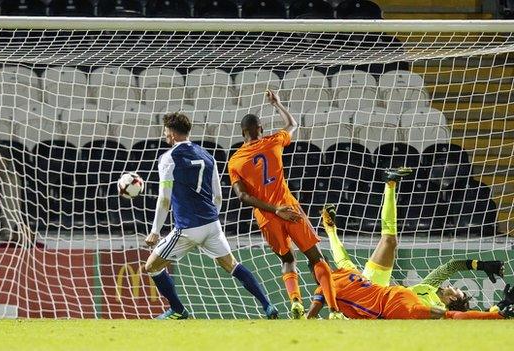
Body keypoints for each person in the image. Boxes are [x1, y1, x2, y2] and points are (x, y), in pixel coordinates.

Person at [305, 167, 509, 319]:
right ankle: (389, 185)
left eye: (457, 289)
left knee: (346, 268)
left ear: (454, 299)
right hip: (382, 292)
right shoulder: (429, 287)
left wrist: (495, 310)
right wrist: (480, 265)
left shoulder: (438, 309)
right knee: (389, 241)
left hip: (385, 308)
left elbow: (461, 318)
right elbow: (450, 267)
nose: (452, 286)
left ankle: (331, 231)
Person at [143, 112, 278, 320]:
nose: (164, 135)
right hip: (212, 224)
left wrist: (154, 232)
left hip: (187, 229)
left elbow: (164, 199)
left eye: (165, 131)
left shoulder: (168, 159)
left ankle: (178, 310)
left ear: (171, 133)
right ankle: (268, 305)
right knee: (232, 265)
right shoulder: (208, 156)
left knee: (151, 266)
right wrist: (209, 219)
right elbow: (218, 195)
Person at [227, 90, 342, 319]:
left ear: (242, 133)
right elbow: (293, 124)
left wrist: (273, 210)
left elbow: (242, 197)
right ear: (260, 128)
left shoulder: (235, 161)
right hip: (289, 208)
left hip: (267, 217)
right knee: (317, 258)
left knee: (288, 259)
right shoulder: (274, 141)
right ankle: (334, 310)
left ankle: (296, 302)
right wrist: (277, 104)